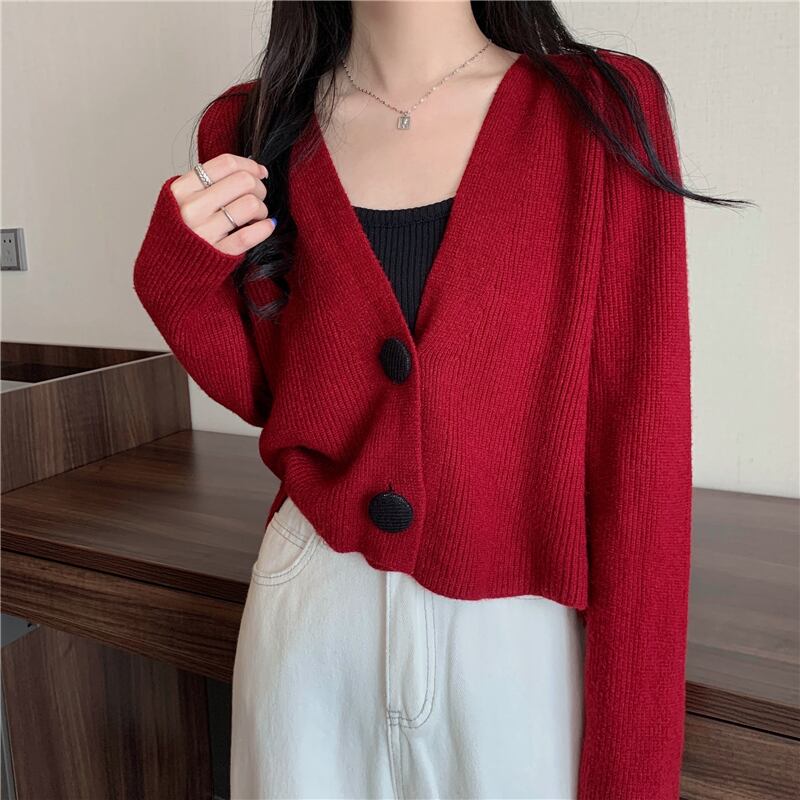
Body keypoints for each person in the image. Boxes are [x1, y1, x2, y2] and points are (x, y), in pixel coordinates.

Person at [133, 2, 744, 798]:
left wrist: (634, 772)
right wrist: (176, 283)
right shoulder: (254, 125)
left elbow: (642, 454)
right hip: (312, 615)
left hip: (517, 640)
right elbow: (270, 393)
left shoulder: (600, 110)